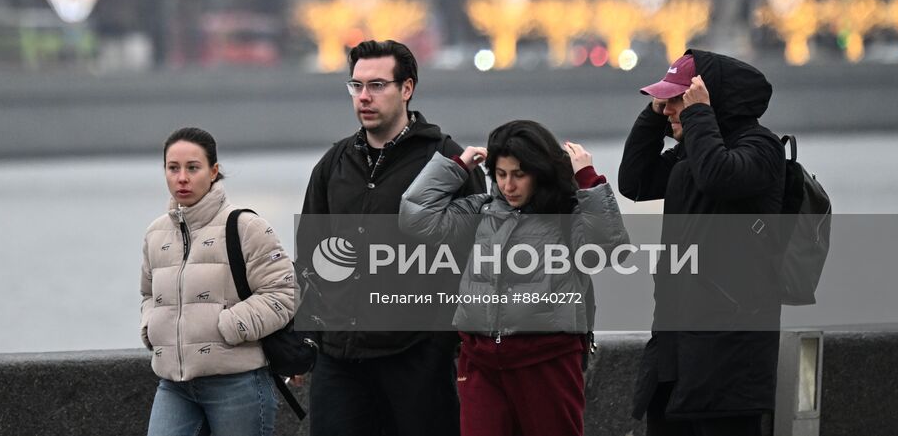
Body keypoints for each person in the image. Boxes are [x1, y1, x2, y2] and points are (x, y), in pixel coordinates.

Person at [296, 39, 485, 436]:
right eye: (356, 86)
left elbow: (473, 261)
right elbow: (311, 257)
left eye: (377, 85)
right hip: (339, 360)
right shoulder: (334, 163)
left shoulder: (448, 161)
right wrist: (309, 337)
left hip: (417, 359)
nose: (364, 96)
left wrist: (439, 346)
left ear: (407, 88)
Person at [399, 120, 628, 436]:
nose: (508, 186)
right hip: (480, 362)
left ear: (540, 172)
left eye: (519, 175)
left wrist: (587, 179)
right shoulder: (480, 211)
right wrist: (458, 167)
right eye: (502, 175)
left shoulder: (565, 216)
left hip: (548, 362)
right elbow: (415, 217)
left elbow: (611, 249)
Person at [618, 50, 786, 436]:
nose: (670, 110)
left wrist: (697, 116)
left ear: (708, 98)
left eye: (677, 99)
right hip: (676, 347)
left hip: (729, 352)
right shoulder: (693, 148)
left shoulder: (762, 148)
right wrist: (654, 114)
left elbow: (719, 178)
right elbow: (635, 182)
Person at [141, 126, 300, 436]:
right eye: (173, 168)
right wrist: (152, 327)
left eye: (193, 167)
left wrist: (230, 325)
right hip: (174, 385)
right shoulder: (155, 233)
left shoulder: (246, 226)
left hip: (237, 384)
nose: (182, 177)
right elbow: (147, 293)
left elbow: (285, 292)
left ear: (213, 172)